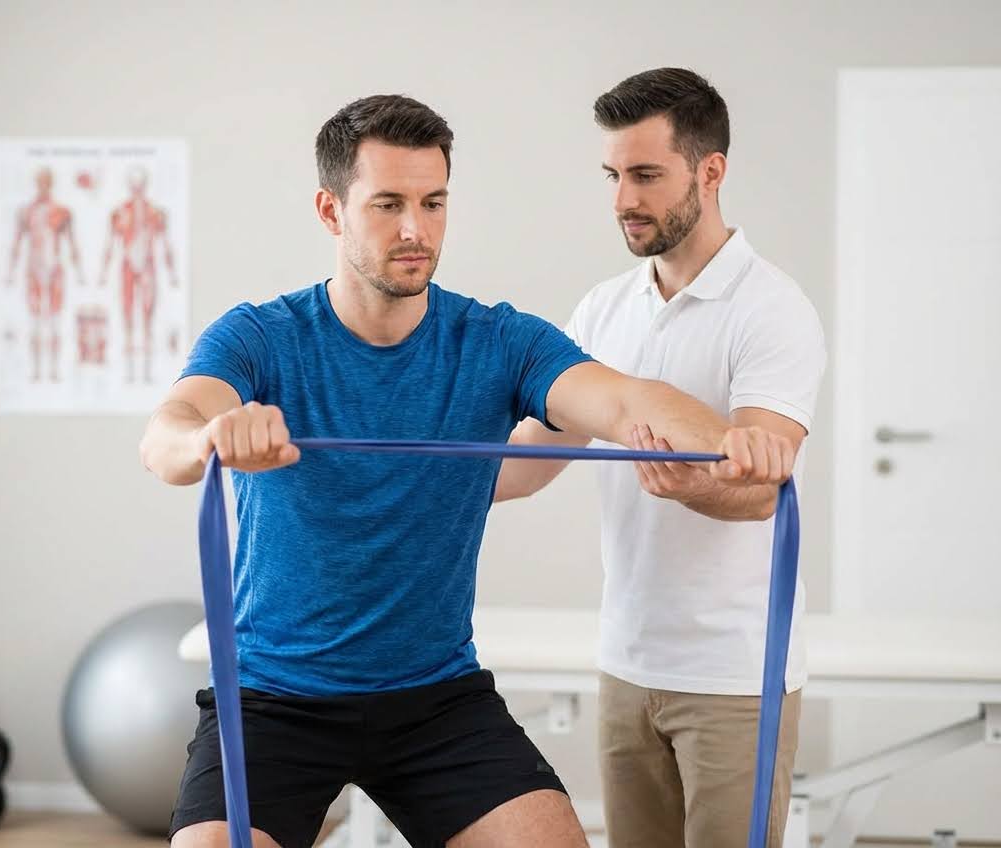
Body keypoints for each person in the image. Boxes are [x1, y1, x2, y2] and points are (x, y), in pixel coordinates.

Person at [140, 93, 797, 848]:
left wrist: (734, 442)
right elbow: (167, 436)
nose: (416, 229)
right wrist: (212, 439)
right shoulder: (262, 336)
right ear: (331, 211)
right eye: (387, 204)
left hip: (435, 700)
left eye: (433, 202)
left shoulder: (497, 342)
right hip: (273, 700)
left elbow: (625, 401)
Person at [495, 68, 827, 848]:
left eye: (646, 175)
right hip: (626, 664)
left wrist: (698, 485)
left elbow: (760, 489)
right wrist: (401, 478)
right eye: (614, 175)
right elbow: (532, 461)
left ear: (710, 172)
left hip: (735, 678)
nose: (622, 200)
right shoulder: (602, 309)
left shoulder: (774, 311)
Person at [99, 165, 179, 382]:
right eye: (133, 185)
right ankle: (128, 372)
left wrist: (172, 273)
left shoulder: (155, 212)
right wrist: (103, 273)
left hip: (147, 268)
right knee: (127, 320)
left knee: (146, 322)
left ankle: (145, 372)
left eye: (139, 184)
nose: (136, 189)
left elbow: (165, 244)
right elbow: (111, 244)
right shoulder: (119, 213)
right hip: (127, 267)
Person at [5, 166, 84, 382]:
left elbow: (71, 241)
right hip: (34, 268)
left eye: (46, 181)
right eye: (40, 181)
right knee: (35, 320)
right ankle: (36, 371)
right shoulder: (26, 212)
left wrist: (80, 273)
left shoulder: (61, 212)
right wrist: (10, 272)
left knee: (54, 320)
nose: (43, 185)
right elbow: (17, 242)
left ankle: (54, 371)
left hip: (55, 268)